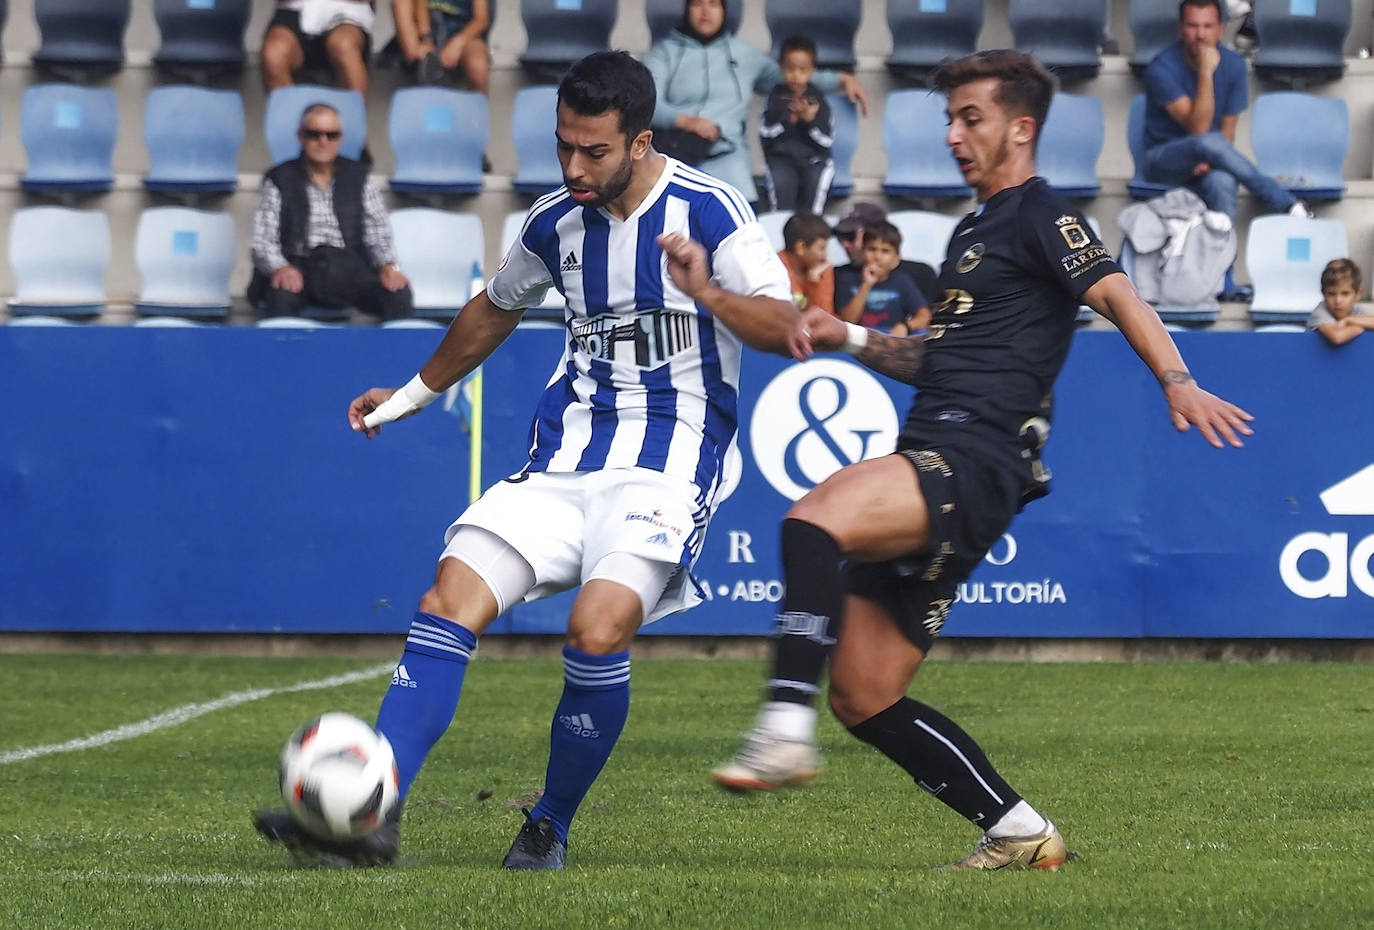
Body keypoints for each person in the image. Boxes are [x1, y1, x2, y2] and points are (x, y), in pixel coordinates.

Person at [253, 51, 798, 871]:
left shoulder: (711, 210)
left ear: (641, 141)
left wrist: (708, 293)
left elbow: (780, 326)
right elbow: (495, 307)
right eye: (563, 147)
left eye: (595, 152)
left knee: (595, 628)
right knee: (447, 598)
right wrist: (409, 396)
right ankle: (374, 810)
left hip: (669, 464)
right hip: (564, 460)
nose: (575, 168)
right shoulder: (555, 221)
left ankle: (549, 821)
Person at [713, 50, 1254, 870]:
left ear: (1021, 127)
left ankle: (784, 726)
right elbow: (937, 358)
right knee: (865, 695)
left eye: (971, 118)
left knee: (814, 518)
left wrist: (1178, 381)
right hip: (948, 454)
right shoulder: (972, 231)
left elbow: (1117, 292)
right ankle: (1019, 830)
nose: (954, 134)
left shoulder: (1041, 214)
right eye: (949, 119)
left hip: (973, 458)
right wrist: (850, 336)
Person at [644, 0, 869, 205]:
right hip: (676, 154)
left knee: (744, 218)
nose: (705, 11)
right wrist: (687, 121)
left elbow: (792, 77)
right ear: (686, 9)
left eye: (714, 4)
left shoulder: (743, 54)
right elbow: (649, 103)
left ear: (724, 11)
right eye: (697, 4)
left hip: (728, 154)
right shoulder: (664, 53)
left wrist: (841, 78)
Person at [1142, 0, 1309, 225]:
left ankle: (1224, 257)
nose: (1200, 34)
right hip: (1164, 160)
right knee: (1206, 141)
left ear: (1221, 29)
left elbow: (1227, 133)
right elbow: (1199, 130)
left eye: (1208, 26)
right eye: (1193, 26)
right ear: (1180, 28)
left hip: (1210, 160)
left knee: (1223, 181)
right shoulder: (1160, 68)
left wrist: (1212, 160)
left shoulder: (1234, 65)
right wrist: (1206, 72)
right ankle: (1285, 202)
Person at [248, 103, 413, 322]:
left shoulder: (360, 177)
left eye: (331, 135)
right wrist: (282, 268)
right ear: (300, 136)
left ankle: (397, 357)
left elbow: (378, 233)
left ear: (340, 138)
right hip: (299, 269)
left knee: (398, 294)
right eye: (313, 134)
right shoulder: (279, 178)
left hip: (349, 269)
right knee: (281, 296)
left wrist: (388, 266)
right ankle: (283, 357)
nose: (322, 141)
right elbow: (263, 241)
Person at [760, 36, 834, 214]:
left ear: (812, 70)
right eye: (790, 69)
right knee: (781, 201)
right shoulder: (774, 97)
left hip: (813, 161)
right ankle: (780, 234)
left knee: (816, 189)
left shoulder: (818, 99)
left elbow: (826, 141)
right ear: (781, 68)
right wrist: (788, 120)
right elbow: (765, 134)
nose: (796, 75)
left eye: (803, 70)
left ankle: (812, 229)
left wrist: (810, 122)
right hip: (781, 160)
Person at [832, 202, 940, 308]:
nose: (844, 244)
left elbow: (926, 318)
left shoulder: (920, 274)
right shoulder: (836, 276)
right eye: (840, 237)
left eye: (850, 236)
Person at [836, 220, 930, 334]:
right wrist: (866, 285)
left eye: (885, 251)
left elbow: (924, 316)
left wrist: (905, 326)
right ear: (862, 251)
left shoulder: (902, 281)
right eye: (872, 249)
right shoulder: (848, 279)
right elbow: (848, 321)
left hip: (891, 337)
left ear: (896, 258)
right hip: (858, 337)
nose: (877, 257)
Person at [262, 0, 374, 94]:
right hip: (295, 10)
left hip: (348, 11)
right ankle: (287, 117)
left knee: (344, 46)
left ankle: (354, 117)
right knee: (274, 53)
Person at [415, 0, 491, 90]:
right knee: (420, 56)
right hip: (432, 31)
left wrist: (458, 43)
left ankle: (477, 102)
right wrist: (426, 38)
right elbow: (420, 8)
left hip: (465, 33)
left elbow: (481, 19)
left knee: (478, 67)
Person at [778, 211, 834, 314]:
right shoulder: (774, 268)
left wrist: (815, 284)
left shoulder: (822, 269)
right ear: (801, 247)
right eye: (821, 248)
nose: (825, 256)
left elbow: (824, 319)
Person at [1308, 258, 1374, 346]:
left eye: (1345, 294)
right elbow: (1337, 337)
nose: (1338, 301)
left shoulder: (1357, 311)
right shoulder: (1320, 312)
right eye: (1331, 294)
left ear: (1358, 294)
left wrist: (1349, 320)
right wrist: (1364, 326)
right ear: (1323, 294)